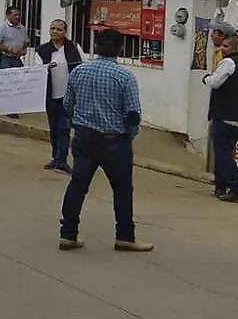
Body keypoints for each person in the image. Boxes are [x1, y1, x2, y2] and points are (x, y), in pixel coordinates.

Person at [58, 29, 152, 253]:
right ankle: (125, 237)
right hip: (114, 141)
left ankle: (68, 234)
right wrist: (130, 134)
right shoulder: (124, 76)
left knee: (77, 186)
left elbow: (67, 105)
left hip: (83, 138)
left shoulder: (79, 71)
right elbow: (132, 114)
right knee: (122, 190)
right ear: (120, 49)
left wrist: (77, 124)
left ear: (96, 46)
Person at [203, 35, 238, 202]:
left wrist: (206, 78)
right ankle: (221, 185)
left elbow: (216, 82)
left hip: (224, 115)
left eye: (225, 46)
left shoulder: (228, 63)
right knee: (224, 152)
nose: (221, 49)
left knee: (223, 153)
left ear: (235, 49)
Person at [36, 19, 84, 173]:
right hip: (51, 96)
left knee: (64, 128)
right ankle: (56, 157)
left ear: (65, 32)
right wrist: (45, 68)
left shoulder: (73, 48)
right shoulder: (42, 50)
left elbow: (82, 67)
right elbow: (35, 71)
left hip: (69, 97)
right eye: (53, 28)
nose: (55, 31)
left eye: (59, 29)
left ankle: (62, 161)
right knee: (54, 128)